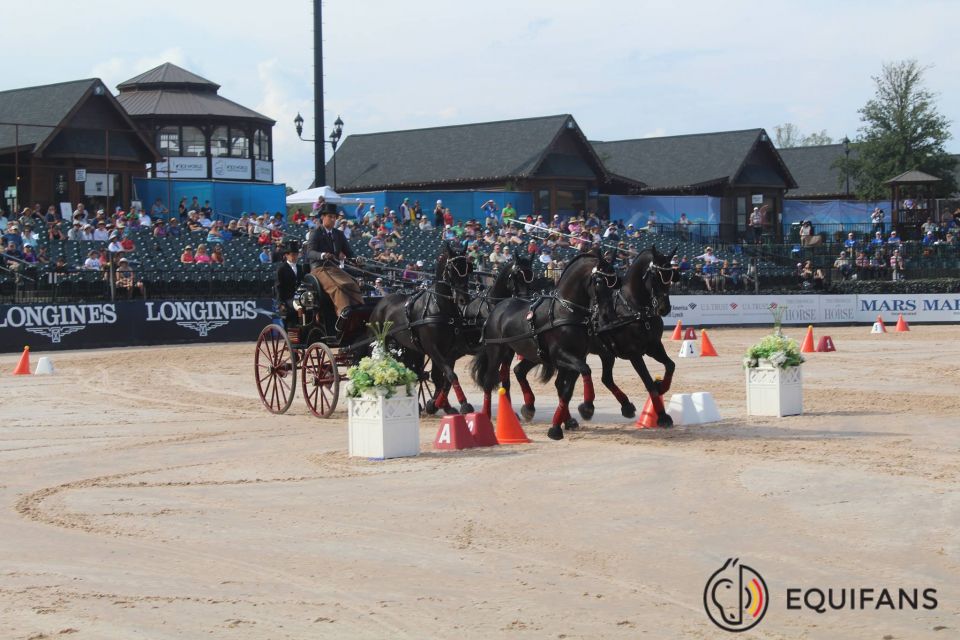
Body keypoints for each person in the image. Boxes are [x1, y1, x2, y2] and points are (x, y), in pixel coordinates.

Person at [305, 204, 364, 317]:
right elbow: (310, 253)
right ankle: (343, 312)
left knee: (352, 284)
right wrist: (322, 255)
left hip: (334, 268)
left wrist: (356, 259)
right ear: (323, 217)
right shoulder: (315, 232)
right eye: (330, 216)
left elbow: (349, 253)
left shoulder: (339, 234)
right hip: (319, 268)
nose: (333, 219)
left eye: (334, 217)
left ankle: (359, 309)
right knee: (337, 286)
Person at [275, 241, 302, 324]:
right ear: (286, 255)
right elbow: (278, 287)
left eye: (296, 255)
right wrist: (280, 303)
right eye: (292, 255)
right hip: (288, 298)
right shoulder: (281, 269)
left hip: (300, 297)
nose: (295, 257)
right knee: (299, 307)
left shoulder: (300, 267)